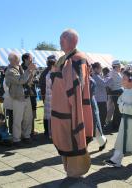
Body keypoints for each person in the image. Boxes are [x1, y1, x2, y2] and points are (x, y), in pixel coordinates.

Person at [51, 29, 93, 177]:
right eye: (60, 38)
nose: (60, 41)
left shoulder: (77, 58)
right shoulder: (63, 59)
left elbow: (76, 88)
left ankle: (76, 172)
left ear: (72, 41)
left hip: (71, 111)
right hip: (61, 111)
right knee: (65, 140)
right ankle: (70, 171)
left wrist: (75, 111)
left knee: (73, 140)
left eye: (63, 38)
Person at [104, 71, 132, 167]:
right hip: (124, 120)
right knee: (121, 139)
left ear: (131, 80)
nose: (122, 81)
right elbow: (119, 104)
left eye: (124, 79)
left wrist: (123, 106)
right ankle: (116, 160)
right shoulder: (124, 91)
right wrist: (124, 107)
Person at [5, 52, 36, 147]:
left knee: (28, 118)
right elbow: (21, 80)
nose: (19, 60)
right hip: (18, 98)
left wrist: (31, 72)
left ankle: (26, 136)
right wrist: (29, 70)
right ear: (12, 60)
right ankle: (16, 139)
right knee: (18, 120)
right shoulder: (10, 71)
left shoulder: (20, 68)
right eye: (18, 58)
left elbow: (27, 81)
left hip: (26, 96)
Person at [21, 53, 38, 137]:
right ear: (26, 59)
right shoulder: (21, 69)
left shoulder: (32, 68)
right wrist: (31, 74)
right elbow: (25, 82)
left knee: (33, 112)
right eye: (31, 58)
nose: (32, 60)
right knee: (25, 115)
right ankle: (25, 133)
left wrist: (33, 74)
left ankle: (31, 130)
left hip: (32, 94)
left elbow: (33, 81)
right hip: (25, 95)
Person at [39, 55, 56, 136]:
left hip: (46, 95)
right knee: (50, 114)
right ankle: (49, 132)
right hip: (50, 96)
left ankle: (47, 131)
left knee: (47, 114)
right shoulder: (50, 74)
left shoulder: (46, 72)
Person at [89, 77, 107, 151]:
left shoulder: (90, 80)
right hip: (85, 104)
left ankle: (102, 141)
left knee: (95, 125)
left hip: (89, 104)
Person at [91, 62, 110, 127]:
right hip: (100, 99)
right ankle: (101, 128)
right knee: (102, 114)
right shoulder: (96, 76)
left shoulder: (97, 75)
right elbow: (104, 84)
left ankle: (100, 127)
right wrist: (112, 78)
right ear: (96, 69)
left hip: (100, 98)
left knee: (102, 114)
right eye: (100, 68)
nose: (101, 69)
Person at [44, 55, 57, 138]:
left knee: (51, 116)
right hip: (51, 98)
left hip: (50, 98)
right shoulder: (50, 75)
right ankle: (51, 134)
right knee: (51, 117)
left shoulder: (50, 74)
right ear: (52, 66)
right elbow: (53, 87)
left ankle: (51, 133)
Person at [109, 60, 123, 130]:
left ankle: (117, 124)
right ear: (116, 66)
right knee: (118, 109)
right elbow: (110, 84)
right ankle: (115, 125)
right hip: (115, 93)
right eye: (119, 66)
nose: (120, 67)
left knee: (118, 109)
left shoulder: (117, 73)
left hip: (119, 92)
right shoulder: (112, 73)